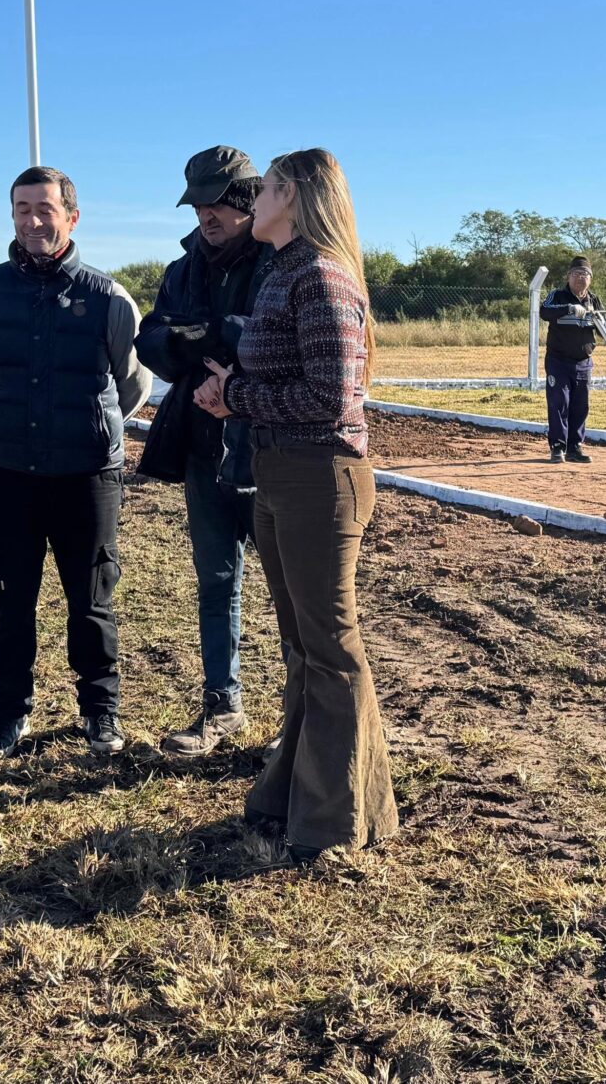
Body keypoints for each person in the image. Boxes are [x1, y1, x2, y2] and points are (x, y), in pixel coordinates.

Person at [195, 148, 398, 861]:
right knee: (305, 646)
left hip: (321, 476)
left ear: (298, 197)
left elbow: (332, 397)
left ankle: (341, 818)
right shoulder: (283, 269)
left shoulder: (320, 275)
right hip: (281, 471)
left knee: (331, 647)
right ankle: (295, 793)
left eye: (269, 188)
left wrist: (235, 397)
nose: (254, 200)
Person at [0, 166, 154, 760]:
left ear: (71, 215)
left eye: (45, 209)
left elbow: (130, 383)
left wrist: (91, 426)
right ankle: (7, 716)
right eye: (21, 210)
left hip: (87, 473)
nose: (33, 221)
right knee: (10, 598)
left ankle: (99, 714)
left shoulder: (108, 297)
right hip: (5, 471)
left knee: (91, 597)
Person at [134, 147, 273, 757]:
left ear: (247, 200)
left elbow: (272, 341)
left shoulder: (283, 260)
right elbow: (152, 339)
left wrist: (210, 336)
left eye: (217, 202)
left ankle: (304, 722)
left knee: (293, 591)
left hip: (268, 447)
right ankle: (223, 704)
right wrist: (192, 341)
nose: (206, 214)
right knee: (217, 581)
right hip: (201, 444)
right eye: (198, 204)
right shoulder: (182, 267)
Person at [538, 255, 604, 463]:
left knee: (580, 405)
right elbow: (544, 311)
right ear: (568, 277)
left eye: (584, 274)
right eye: (576, 274)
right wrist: (569, 309)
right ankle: (558, 446)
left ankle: (575, 446)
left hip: (583, 362)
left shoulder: (593, 300)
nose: (580, 278)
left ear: (590, 279)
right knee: (560, 402)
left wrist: (601, 321)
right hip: (558, 361)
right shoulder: (556, 295)